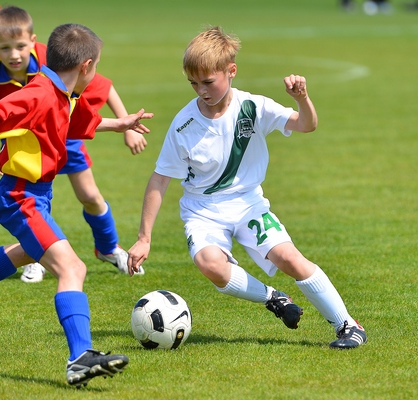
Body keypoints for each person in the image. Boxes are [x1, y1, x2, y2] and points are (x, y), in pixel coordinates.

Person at [0, 23, 153, 387]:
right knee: (72, 268)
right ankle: (80, 357)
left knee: (27, 253)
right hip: (20, 197)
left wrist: (120, 123)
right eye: (95, 68)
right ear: (86, 66)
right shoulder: (39, 93)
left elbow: (78, 121)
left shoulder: (60, 92)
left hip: (36, 195)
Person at [127, 26, 367, 350]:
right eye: (193, 83)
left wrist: (302, 99)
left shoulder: (253, 107)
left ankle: (348, 326)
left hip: (248, 204)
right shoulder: (184, 125)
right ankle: (272, 298)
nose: (201, 90)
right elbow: (160, 179)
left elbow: (306, 125)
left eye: (208, 82)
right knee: (210, 263)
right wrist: (144, 238)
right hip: (203, 210)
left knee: (290, 259)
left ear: (231, 71)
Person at [0, 6, 146, 283]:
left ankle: (109, 248)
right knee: (30, 201)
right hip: (25, 147)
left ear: (32, 41)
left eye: (20, 46)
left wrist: (125, 126)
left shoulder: (53, 60)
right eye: (5, 48)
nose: (14, 54)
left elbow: (103, 86)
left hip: (67, 135)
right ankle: (36, 256)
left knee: (90, 196)